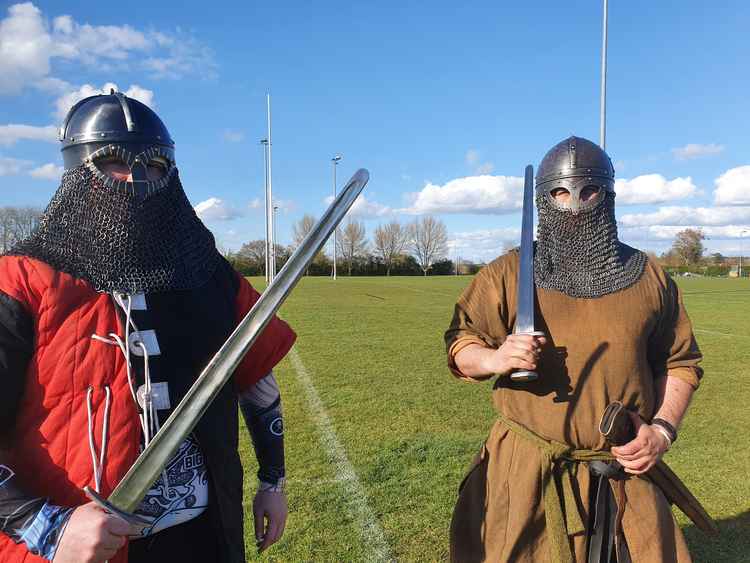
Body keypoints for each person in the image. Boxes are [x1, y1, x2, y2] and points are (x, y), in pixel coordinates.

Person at [0, 91, 295, 562]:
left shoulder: (209, 275)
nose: (137, 176)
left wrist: (272, 482)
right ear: (77, 171)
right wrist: (45, 526)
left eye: (155, 163)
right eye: (114, 161)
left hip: (202, 537)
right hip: (78, 544)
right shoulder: (20, 281)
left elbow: (258, 378)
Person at [445, 136, 704, 562]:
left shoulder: (648, 276)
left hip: (625, 468)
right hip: (528, 470)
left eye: (589, 191)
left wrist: (661, 430)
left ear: (608, 195)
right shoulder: (508, 272)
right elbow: (460, 342)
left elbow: (680, 362)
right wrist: (494, 358)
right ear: (545, 199)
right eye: (561, 192)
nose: (576, 204)